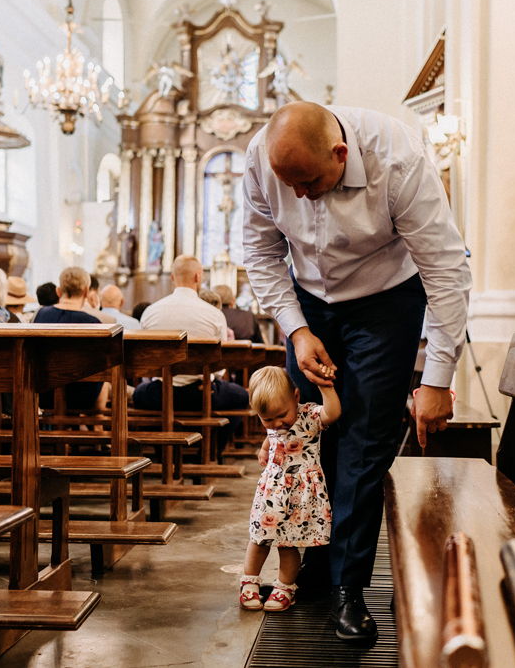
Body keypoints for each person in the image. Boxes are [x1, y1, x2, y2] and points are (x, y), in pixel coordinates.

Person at [242, 101, 471, 641]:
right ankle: (310, 571)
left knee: (364, 442)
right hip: (308, 303)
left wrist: (436, 378)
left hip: (386, 301)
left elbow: (445, 267)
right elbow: (259, 250)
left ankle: (349, 590)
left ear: (341, 154)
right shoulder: (260, 159)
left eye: (308, 182)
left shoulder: (400, 158)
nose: (298, 195)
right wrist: (297, 329)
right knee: (307, 441)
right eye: (288, 184)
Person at [240, 366, 340, 612]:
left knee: (289, 543)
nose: (276, 424)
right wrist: (265, 447)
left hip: (299, 493)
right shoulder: (274, 423)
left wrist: (325, 387)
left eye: (281, 415)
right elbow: (273, 435)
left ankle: (285, 586)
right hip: (271, 492)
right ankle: (249, 581)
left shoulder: (308, 416)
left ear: (296, 397)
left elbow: (333, 412)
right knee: (259, 538)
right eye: (267, 420)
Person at [132, 255, 249, 454]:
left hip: (160, 395)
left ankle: (162, 452)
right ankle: (210, 450)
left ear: (172, 277)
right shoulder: (213, 314)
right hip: (202, 395)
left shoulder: (151, 312)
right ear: (198, 277)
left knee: (138, 395)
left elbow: (145, 361)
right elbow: (220, 364)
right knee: (241, 396)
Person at [33, 267, 105, 411]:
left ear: (58, 291)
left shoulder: (41, 315)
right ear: (86, 292)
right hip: (81, 397)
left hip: (45, 393)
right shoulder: (93, 323)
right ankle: (94, 424)